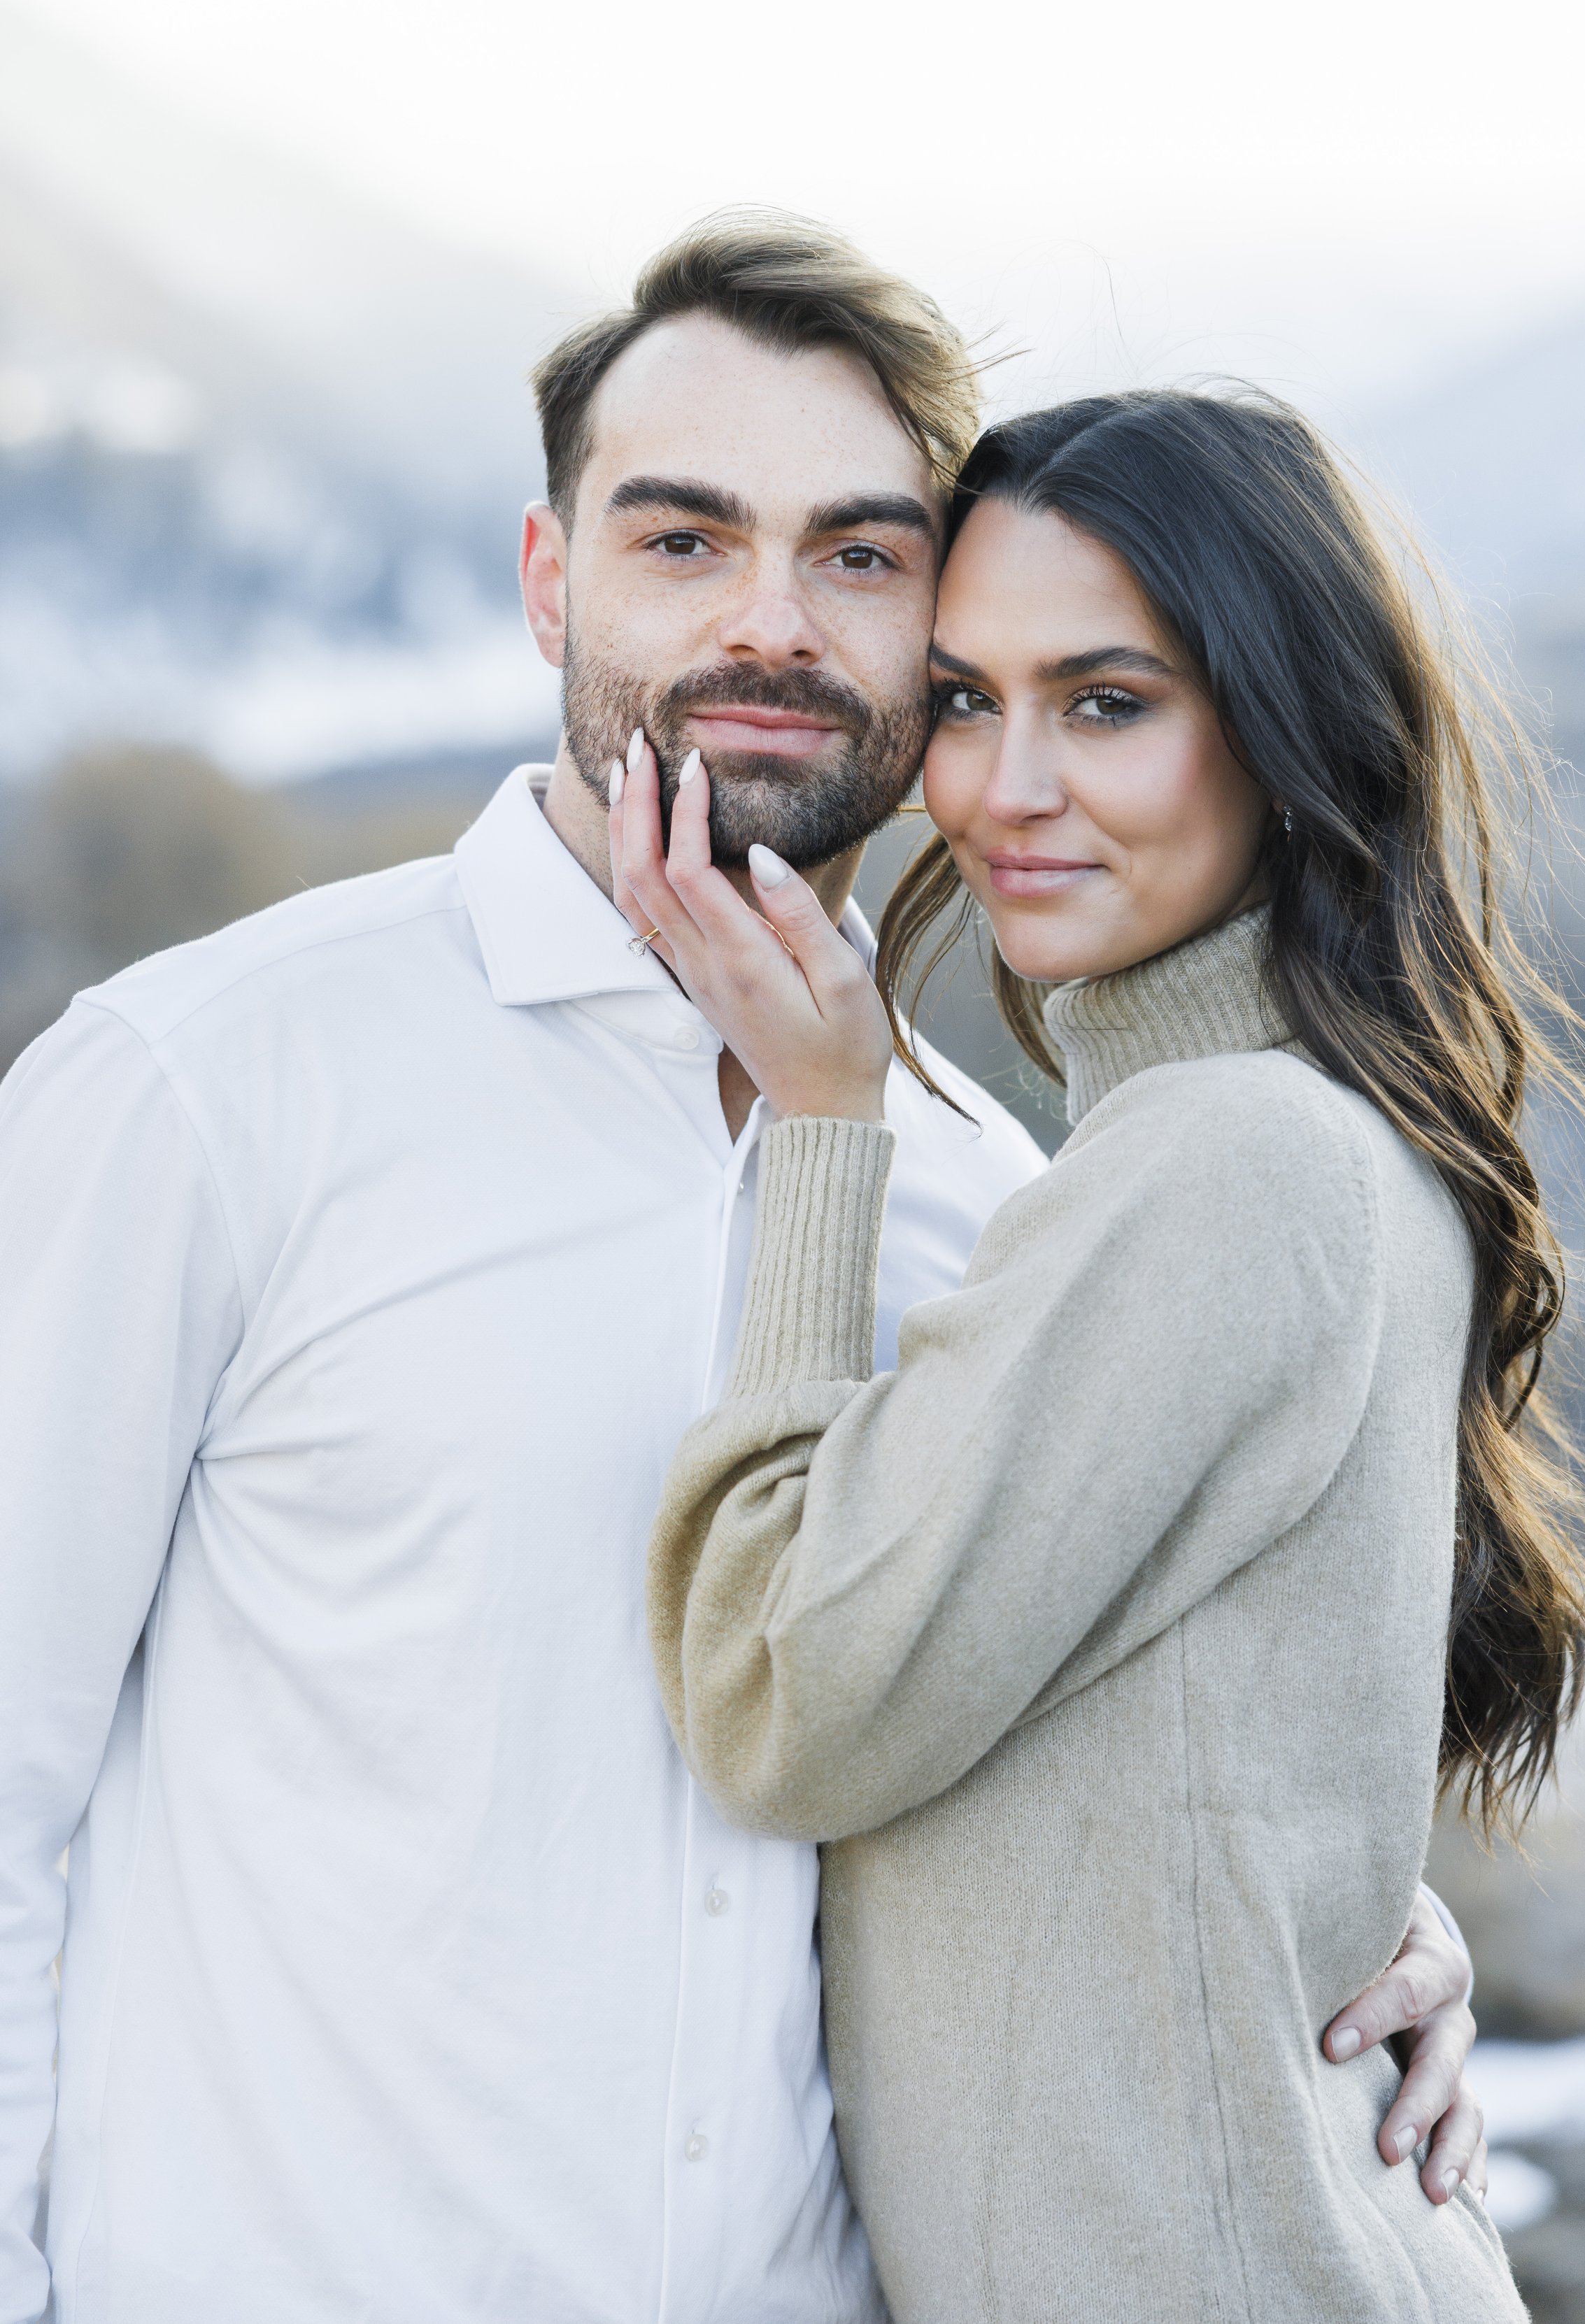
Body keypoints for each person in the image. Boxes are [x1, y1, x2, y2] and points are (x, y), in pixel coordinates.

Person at [0, 224, 1478, 2324]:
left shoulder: (992, 1197)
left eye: (861, 559)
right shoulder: (212, 1084)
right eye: (683, 540)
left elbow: (1056, 1726)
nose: (770, 623)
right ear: (547, 578)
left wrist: (1348, 1912)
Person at [634, 385, 1585, 2318]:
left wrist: (824, 1124)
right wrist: (1338, 1919)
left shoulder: (1226, 1156)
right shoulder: (1285, 1133)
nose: (998, 789)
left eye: (1104, 701)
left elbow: (781, 1691)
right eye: (967, 701)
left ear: (1281, 718)